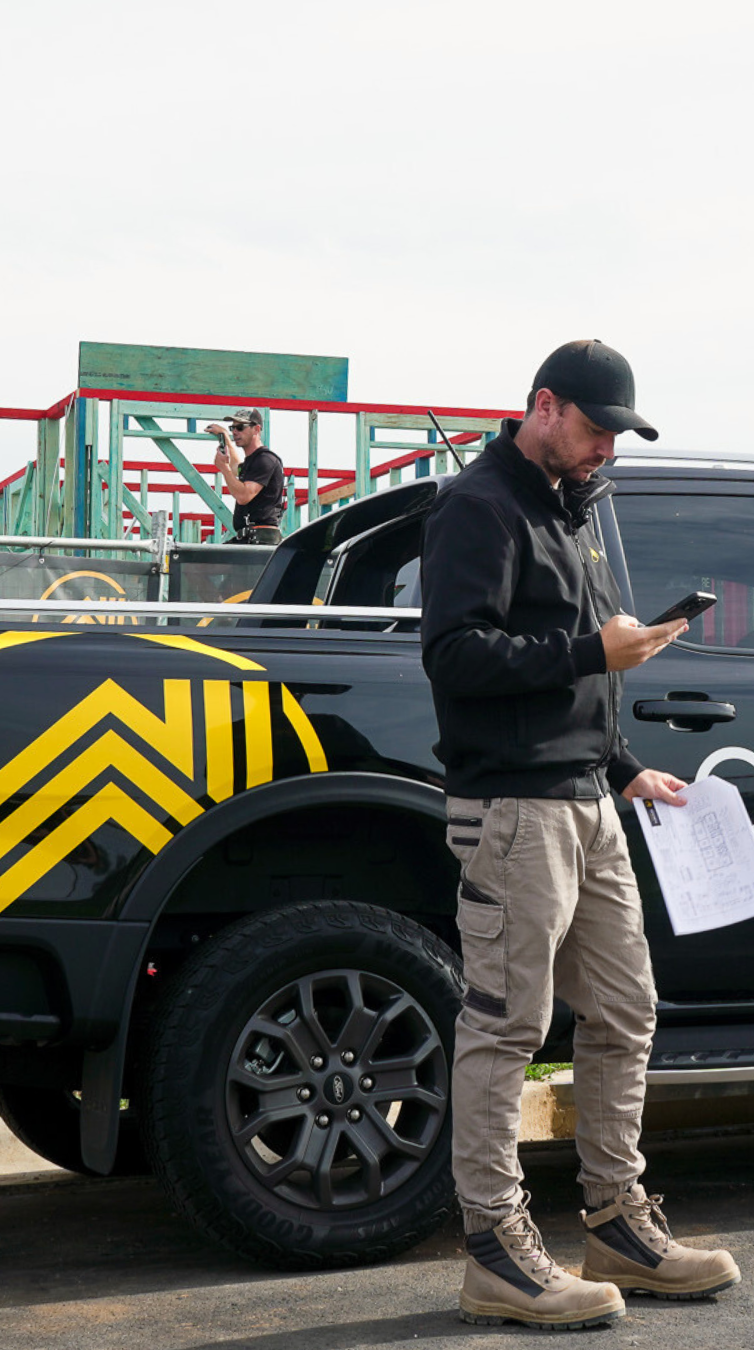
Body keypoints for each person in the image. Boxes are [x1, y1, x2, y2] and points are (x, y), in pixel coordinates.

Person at [420, 339, 741, 1331]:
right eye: (598, 430)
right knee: (508, 1025)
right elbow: (455, 657)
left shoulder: (575, 515)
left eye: (618, 435)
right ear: (545, 408)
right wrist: (587, 648)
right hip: (514, 812)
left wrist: (620, 765)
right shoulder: (478, 507)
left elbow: (578, 683)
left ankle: (619, 1225)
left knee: (625, 1011)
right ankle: (497, 1255)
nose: (607, 449)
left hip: (584, 802)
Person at [204, 409, 284, 543]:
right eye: (232, 428)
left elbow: (244, 496)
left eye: (240, 428)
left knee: (205, 560)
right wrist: (225, 437)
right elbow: (236, 467)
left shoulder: (265, 460)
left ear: (256, 429)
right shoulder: (253, 461)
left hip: (260, 539)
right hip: (251, 538)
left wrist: (224, 468)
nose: (235, 432)